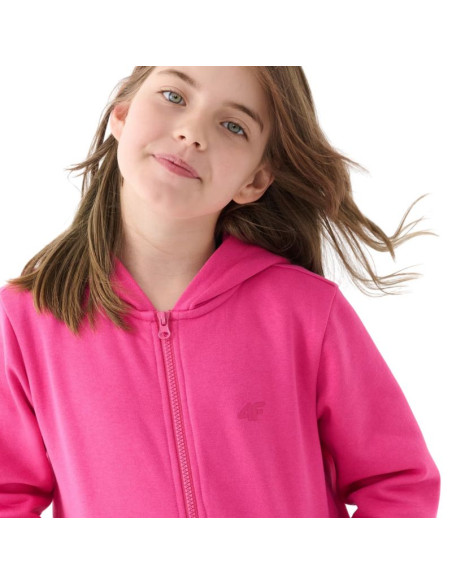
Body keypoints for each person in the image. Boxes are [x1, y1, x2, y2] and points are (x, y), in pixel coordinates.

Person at [0, 67, 440, 518]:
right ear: (122, 114)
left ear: (255, 180)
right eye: (174, 96)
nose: (192, 133)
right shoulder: (27, 319)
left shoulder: (307, 311)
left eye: (233, 126)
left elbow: (398, 483)